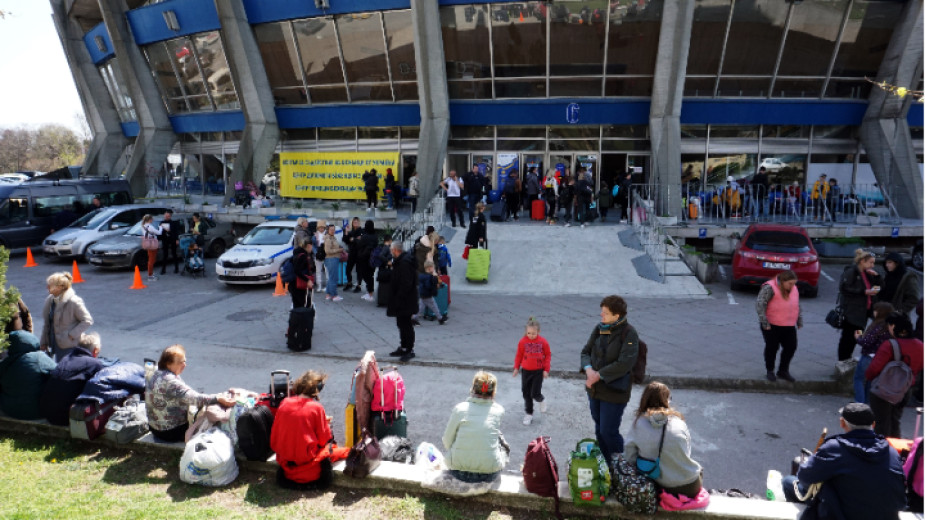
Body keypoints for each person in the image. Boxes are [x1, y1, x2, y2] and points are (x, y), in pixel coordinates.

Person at [782, 402, 906, 520]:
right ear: (873, 424)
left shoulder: (835, 448)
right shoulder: (891, 451)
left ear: (842, 423)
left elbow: (805, 477)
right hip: (886, 516)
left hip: (844, 515)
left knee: (788, 482)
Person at [580, 295, 639, 461]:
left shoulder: (629, 334)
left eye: (605, 313)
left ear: (616, 315)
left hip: (614, 392)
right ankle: (606, 463)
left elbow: (624, 363)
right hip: (595, 390)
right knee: (599, 430)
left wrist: (598, 375)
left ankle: (623, 465)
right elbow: (585, 352)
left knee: (608, 431)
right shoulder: (600, 328)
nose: (601, 315)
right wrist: (589, 369)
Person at [271, 370, 348, 490]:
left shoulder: (285, 402)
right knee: (338, 450)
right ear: (316, 390)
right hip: (308, 461)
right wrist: (325, 424)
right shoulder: (316, 408)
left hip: (286, 459)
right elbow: (324, 440)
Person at [624, 382, 703, 498]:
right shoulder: (679, 422)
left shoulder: (638, 424)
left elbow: (629, 457)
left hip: (661, 487)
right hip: (691, 486)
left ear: (644, 400)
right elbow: (686, 452)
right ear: (667, 400)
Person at [145, 344, 236, 443]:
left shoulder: (155, 372)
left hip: (154, 428)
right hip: (170, 432)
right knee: (210, 416)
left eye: (184, 361)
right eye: (180, 362)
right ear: (168, 363)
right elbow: (194, 398)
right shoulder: (170, 381)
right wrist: (217, 398)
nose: (184, 365)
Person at [442, 371, 509, 484]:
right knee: (500, 438)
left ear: (473, 388)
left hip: (458, 472)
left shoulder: (460, 409)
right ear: (493, 391)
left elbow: (446, 442)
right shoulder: (498, 411)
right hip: (489, 474)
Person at [865, 312, 923, 438]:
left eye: (889, 325)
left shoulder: (890, 345)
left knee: (881, 424)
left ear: (895, 327)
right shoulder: (920, 346)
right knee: (895, 422)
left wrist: (869, 379)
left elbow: (874, 369)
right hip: (905, 389)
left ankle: (881, 448)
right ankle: (895, 447)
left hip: (883, 390)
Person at [39, 332, 103, 425]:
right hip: (67, 416)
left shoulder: (66, 358)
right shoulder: (95, 364)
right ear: (96, 350)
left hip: (48, 413)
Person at [755, 270, 803, 382]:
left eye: (794, 283)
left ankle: (783, 370)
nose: (792, 286)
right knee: (772, 348)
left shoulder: (794, 289)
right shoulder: (769, 288)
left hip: (788, 325)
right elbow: (760, 305)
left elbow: (797, 305)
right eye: (790, 283)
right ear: (782, 281)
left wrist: (799, 320)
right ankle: (770, 370)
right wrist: (765, 323)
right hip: (772, 325)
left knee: (791, 347)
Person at [0, 330, 56, 420]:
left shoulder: (6, 363)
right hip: (36, 411)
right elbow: (58, 374)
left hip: (9, 409)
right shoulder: (39, 357)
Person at [837, 249, 882, 361]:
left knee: (857, 334)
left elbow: (881, 286)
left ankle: (847, 357)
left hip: (863, 313)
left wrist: (877, 277)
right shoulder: (851, 272)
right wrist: (864, 292)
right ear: (862, 261)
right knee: (848, 337)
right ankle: (843, 360)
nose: (873, 265)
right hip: (852, 312)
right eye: (871, 262)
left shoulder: (868, 273)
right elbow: (844, 288)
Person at [40, 271, 93, 362]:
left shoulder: (73, 301)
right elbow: (47, 323)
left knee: (66, 368)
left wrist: (71, 335)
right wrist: (44, 342)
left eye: (50, 285)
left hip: (69, 346)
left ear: (60, 287)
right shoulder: (50, 300)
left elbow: (87, 320)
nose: (47, 287)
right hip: (54, 344)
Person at [852, 302, 894, 404]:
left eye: (876, 310)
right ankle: (867, 403)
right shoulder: (890, 326)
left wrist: (858, 337)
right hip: (881, 358)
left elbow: (866, 342)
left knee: (858, 379)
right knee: (870, 381)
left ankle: (859, 403)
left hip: (869, 357)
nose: (874, 312)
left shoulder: (877, 326)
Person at [512, 317, 550, 426]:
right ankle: (529, 413)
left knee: (535, 393)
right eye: (529, 333)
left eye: (534, 333)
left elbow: (548, 355)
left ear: (538, 331)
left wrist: (546, 370)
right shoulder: (522, 342)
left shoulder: (543, 342)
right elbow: (519, 355)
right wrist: (516, 368)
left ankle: (541, 400)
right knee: (526, 393)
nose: (531, 335)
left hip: (538, 371)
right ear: (526, 331)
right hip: (526, 371)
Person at [387, 241, 419, 362]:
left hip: (406, 300)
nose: (391, 252)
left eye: (391, 250)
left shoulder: (405, 263)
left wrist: (399, 297)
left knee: (406, 325)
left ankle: (409, 349)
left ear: (395, 250)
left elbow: (406, 283)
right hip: (403, 299)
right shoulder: (401, 261)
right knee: (401, 323)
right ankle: (404, 346)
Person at [878, 252, 920, 317]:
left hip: (897, 317)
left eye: (890, 262)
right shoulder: (889, 275)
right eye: (886, 263)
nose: (887, 265)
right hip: (884, 313)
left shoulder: (909, 278)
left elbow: (914, 299)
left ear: (897, 263)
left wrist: (899, 311)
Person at [415, 260, 447, 326]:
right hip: (427, 295)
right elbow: (429, 286)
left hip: (423, 294)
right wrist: (434, 278)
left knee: (421, 308)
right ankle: (440, 319)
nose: (434, 269)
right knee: (434, 306)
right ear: (429, 268)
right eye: (433, 268)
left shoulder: (422, 275)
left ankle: (414, 318)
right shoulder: (429, 277)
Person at [355, 220, 379, 302]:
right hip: (373, 258)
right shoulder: (375, 236)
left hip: (365, 258)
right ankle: (369, 292)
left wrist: (357, 240)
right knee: (370, 275)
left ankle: (370, 293)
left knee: (365, 275)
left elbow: (359, 245)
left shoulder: (365, 236)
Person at [290, 235, 314, 310]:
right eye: (312, 246)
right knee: (302, 305)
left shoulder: (297, 253)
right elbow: (297, 270)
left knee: (297, 305)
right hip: (298, 283)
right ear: (309, 245)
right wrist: (308, 280)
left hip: (293, 283)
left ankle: (296, 316)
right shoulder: (303, 256)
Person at [322, 224, 345, 302]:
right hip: (331, 259)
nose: (333, 231)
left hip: (333, 259)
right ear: (328, 230)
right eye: (331, 229)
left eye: (333, 229)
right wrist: (339, 250)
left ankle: (328, 294)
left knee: (331, 278)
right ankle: (334, 295)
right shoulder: (328, 239)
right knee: (333, 278)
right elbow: (327, 251)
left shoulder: (333, 237)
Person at [343, 217, 363, 292]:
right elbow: (346, 240)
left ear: (359, 223)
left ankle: (359, 286)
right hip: (352, 253)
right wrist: (346, 232)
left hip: (359, 253)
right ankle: (349, 283)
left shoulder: (361, 231)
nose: (355, 223)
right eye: (354, 222)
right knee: (348, 269)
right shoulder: (351, 232)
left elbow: (360, 241)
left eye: (357, 222)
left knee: (359, 270)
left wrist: (353, 239)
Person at [141, 214, 164, 281]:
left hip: (148, 243)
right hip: (152, 243)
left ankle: (151, 273)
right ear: (149, 219)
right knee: (152, 259)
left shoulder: (143, 226)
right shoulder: (150, 227)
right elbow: (159, 233)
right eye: (152, 219)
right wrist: (161, 227)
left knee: (151, 258)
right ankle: (150, 275)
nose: (153, 220)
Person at [160, 210, 182, 275]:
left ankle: (176, 268)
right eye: (166, 216)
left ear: (170, 216)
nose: (166, 217)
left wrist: (177, 239)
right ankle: (163, 269)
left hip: (172, 239)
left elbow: (176, 232)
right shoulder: (161, 223)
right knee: (165, 255)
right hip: (165, 240)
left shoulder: (173, 223)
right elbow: (160, 232)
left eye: (168, 216)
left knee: (174, 254)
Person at [313, 219, 328, 293]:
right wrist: (316, 252)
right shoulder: (315, 235)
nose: (321, 229)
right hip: (318, 255)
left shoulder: (327, 235)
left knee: (327, 271)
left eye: (322, 227)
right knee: (318, 271)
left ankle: (328, 286)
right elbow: (313, 245)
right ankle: (319, 286)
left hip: (326, 255)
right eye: (320, 227)